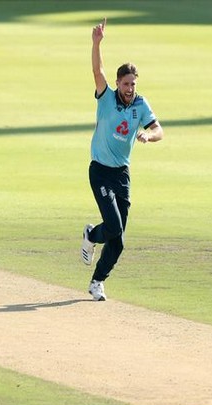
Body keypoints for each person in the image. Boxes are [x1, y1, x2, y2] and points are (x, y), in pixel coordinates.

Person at [81, 18, 164, 301]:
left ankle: (97, 281)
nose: (130, 88)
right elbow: (97, 70)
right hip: (100, 171)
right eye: (126, 83)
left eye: (133, 84)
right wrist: (96, 42)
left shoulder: (140, 104)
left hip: (121, 174)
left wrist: (148, 137)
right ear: (118, 83)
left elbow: (159, 130)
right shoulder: (105, 97)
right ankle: (92, 235)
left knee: (119, 242)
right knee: (113, 227)